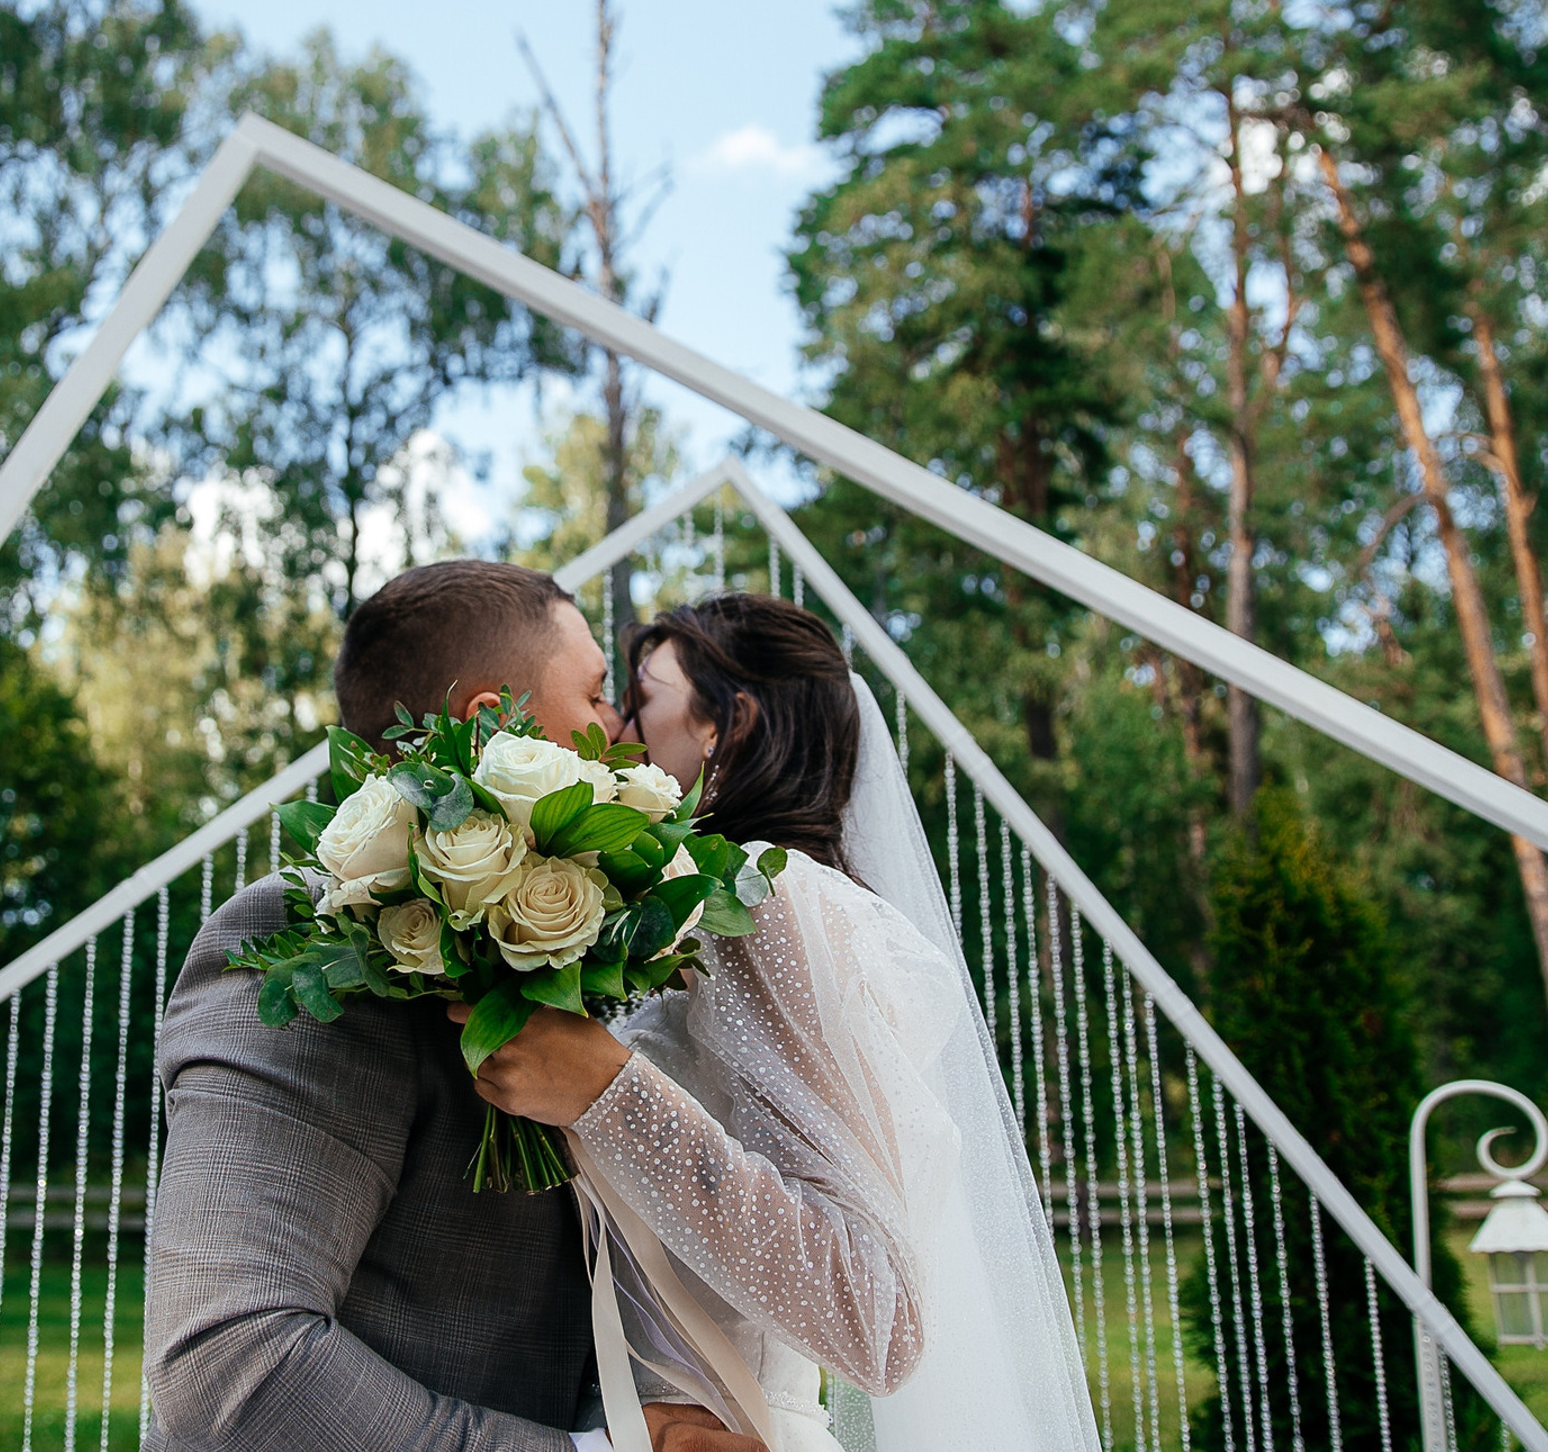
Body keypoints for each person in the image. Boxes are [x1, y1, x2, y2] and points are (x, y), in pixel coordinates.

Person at [142, 560, 762, 1452]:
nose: (619, 734)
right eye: (592, 696)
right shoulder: (310, 942)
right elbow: (231, 1362)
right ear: (495, 723)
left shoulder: (577, 955)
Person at [460, 593, 1100, 1452]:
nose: (613, 726)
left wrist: (609, 1091)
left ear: (728, 723)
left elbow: (874, 1319)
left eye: (641, 697)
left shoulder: (768, 901)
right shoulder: (696, 921)